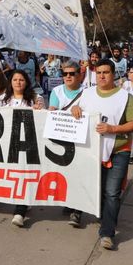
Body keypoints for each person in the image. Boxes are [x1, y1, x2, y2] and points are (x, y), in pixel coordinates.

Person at [70, 59, 133, 250]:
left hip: (118, 150)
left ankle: (107, 233)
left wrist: (113, 128)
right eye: (98, 72)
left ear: (113, 74)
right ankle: (90, 214)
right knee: (96, 189)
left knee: (112, 192)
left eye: (106, 72)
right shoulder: (87, 93)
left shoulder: (125, 97)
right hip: (92, 151)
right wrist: (74, 109)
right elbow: (75, 110)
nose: (102, 76)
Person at [1, 69, 44, 227]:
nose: (18, 82)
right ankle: (24, 201)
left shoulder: (35, 99)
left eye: (21, 80)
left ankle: (20, 211)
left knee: (25, 174)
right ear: (10, 83)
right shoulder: (4, 100)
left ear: (26, 82)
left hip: (29, 143)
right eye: (15, 80)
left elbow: (42, 119)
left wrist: (39, 110)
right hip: (11, 144)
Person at [48, 61, 85, 228]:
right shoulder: (56, 91)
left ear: (79, 75)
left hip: (81, 141)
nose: (68, 77)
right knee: (65, 174)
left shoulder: (88, 92)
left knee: (79, 175)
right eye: (65, 74)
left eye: (72, 73)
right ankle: (69, 202)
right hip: (62, 140)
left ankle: (77, 210)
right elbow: (52, 112)